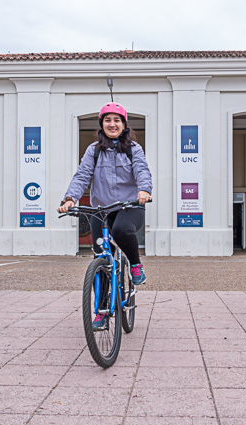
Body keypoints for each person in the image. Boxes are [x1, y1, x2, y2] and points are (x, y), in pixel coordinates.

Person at [58, 102, 152, 329]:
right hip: (101, 210)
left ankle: (136, 265)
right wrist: (70, 198)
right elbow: (82, 175)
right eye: (108, 120)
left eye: (117, 120)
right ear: (102, 124)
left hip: (130, 207)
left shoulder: (133, 149)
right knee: (100, 262)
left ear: (124, 125)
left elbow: (142, 170)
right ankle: (101, 311)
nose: (112, 124)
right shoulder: (94, 150)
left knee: (120, 231)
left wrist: (144, 190)